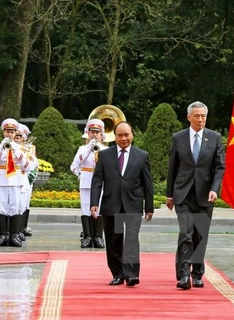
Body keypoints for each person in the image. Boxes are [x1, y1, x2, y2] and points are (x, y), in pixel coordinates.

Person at [166, 101, 225, 290]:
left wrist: (215, 188)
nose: (200, 119)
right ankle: (184, 275)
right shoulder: (178, 138)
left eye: (203, 116)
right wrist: (169, 195)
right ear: (189, 117)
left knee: (200, 234)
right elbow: (172, 167)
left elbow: (220, 167)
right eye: (197, 116)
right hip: (183, 193)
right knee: (186, 233)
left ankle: (197, 273)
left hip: (206, 194)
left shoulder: (214, 138)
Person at [90, 121, 154, 287]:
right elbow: (97, 180)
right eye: (120, 135)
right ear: (115, 137)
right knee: (114, 240)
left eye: (127, 135)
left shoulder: (142, 155)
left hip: (133, 203)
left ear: (132, 135)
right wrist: (94, 202)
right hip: (112, 204)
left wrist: (149, 207)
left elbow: (148, 183)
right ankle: (118, 273)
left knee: (132, 240)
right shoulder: (105, 155)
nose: (124, 138)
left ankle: (132, 274)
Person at [0, 118, 30, 247]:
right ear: (3, 132)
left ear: (15, 133)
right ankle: (3, 235)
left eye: (12, 132)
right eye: (7, 131)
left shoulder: (20, 148)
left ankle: (13, 235)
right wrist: (3, 147)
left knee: (14, 206)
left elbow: (26, 165)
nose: (9, 134)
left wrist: (14, 149)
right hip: (2, 179)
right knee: (2, 207)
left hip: (15, 180)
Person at [71, 119, 108, 248]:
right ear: (88, 133)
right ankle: (87, 236)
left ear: (101, 134)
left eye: (97, 132)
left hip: (101, 184)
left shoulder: (106, 150)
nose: (94, 134)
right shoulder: (82, 149)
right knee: (86, 208)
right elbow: (74, 166)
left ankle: (98, 236)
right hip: (86, 181)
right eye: (92, 131)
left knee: (100, 208)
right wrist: (89, 150)